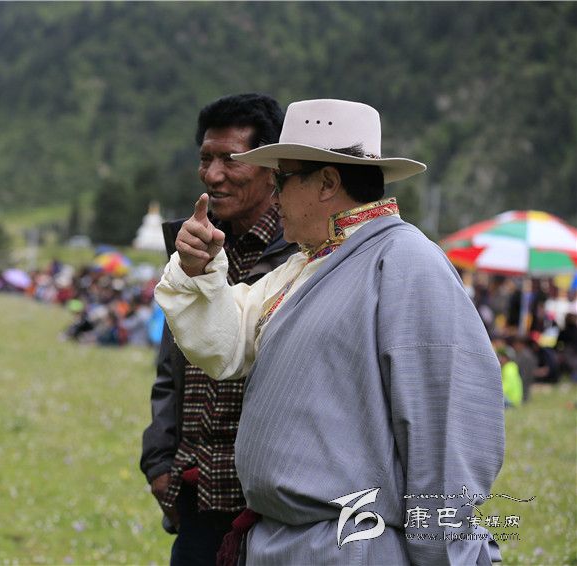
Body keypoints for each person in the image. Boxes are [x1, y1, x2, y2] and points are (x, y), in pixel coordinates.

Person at [156, 99, 505, 564]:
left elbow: (444, 438)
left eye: (282, 179)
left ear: (326, 183)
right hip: (288, 544)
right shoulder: (308, 263)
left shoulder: (407, 262)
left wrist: (445, 554)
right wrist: (197, 270)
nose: (273, 197)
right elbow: (228, 340)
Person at [140, 93, 298, 564]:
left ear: (271, 168)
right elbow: (170, 368)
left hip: (268, 502)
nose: (212, 175)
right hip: (195, 493)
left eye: (231, 159)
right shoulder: (192, 249)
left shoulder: (299, 257)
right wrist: (158, 463)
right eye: (205, 158)